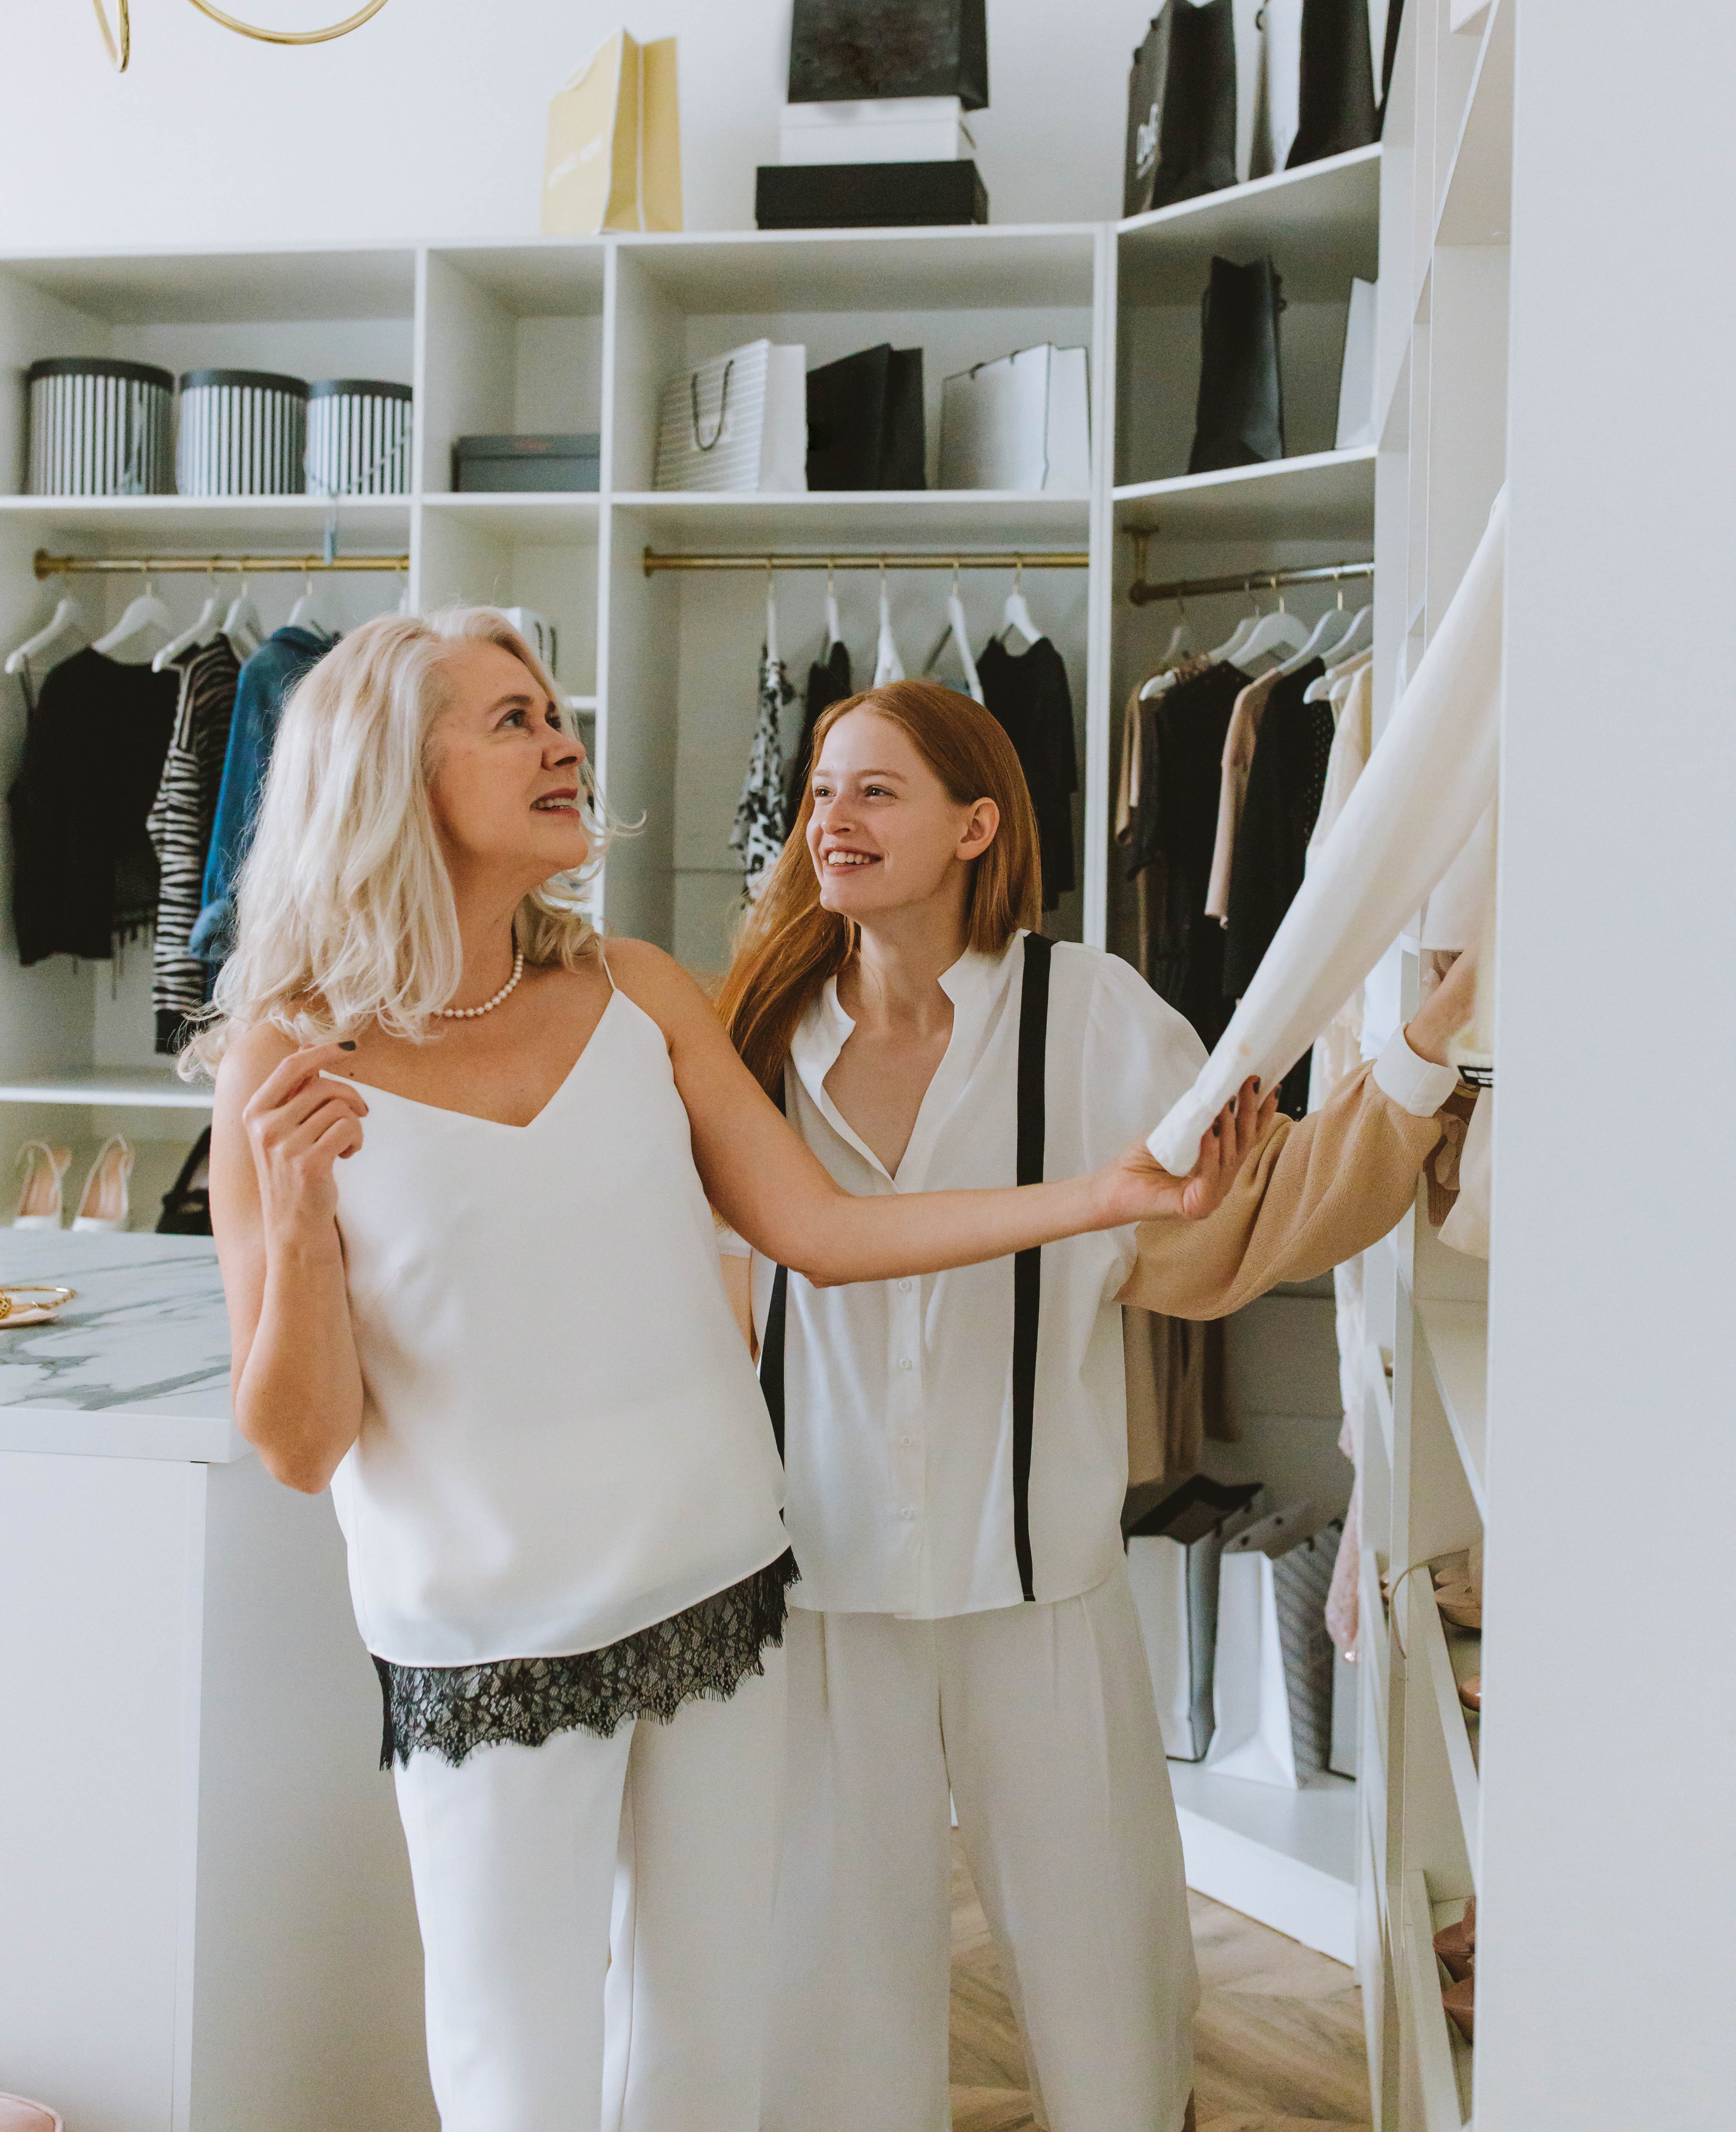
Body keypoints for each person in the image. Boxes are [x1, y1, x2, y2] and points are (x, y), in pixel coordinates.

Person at [196, 611, 1230, 2132]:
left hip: (712, 1599)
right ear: (384, 775)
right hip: (486, 1635)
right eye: (509, 720)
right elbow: (299, 1444)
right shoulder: (285, 1057)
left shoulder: (639, 992)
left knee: (703, 2053)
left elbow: (822, 1229)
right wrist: (291, 1214)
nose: (563, 741)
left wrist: (1105, 1195)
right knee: (517, 2074)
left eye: (556, 709)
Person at [715, 679, 1478, 2132]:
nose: (832, 819)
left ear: (975, 824)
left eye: (876, 790)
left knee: (1110, 1991)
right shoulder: (756, 1029)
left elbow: (1238, 1219)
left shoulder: (1089, 1013)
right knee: (825, 2003)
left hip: (1041, 1590)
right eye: (823, 790)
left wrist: (1431, 1047)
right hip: (812, 1593)